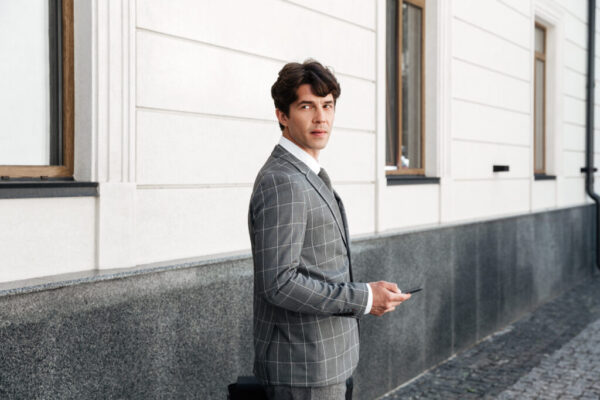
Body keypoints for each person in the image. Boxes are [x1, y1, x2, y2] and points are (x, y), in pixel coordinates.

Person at [247, 59, 411, 400]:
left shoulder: (305, 171)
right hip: (303, 370)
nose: (321, 117)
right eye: (307, 106)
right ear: (282, 115)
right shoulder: (284, 181)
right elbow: (279, 283)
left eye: (328, 106)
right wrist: (363, 298)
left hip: (327, 362)